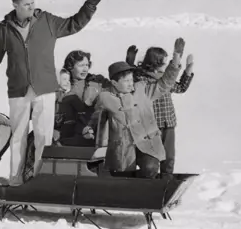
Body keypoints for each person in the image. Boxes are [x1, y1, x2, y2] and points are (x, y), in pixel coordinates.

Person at [0, 0, 106, 185]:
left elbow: (74, 24)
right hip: (19, 90)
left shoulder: (47, 21)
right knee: (17, 137)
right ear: (15, 5)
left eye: (32, 2)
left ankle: (39, 182)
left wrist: (90, 5)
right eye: (26, 4)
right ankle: (16, 181)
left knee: (43, 138)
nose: (31, 6)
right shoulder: (5, 29)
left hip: (44, 89)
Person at [96, 38, 185, 179]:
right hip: (123, 147)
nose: (131, 84)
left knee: (150, 168)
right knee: (120, 175)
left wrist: (175, 62)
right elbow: (96, 120)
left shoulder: (141, 90)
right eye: (126, 81)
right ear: (114, 83)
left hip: (146, 144)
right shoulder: (105, 98)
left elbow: (164, 84)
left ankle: (150, 188)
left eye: (131, 80)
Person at [125, 44, 195, 176]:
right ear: (155, 64)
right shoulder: (142, 78)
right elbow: (129, 76)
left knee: (169, 157)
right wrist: (129, 61)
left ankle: (166, 183)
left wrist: (188, 70)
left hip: (168, 123)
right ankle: (148, 180)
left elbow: (181, 88)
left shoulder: (166, 79)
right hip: (150, 125)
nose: (167, 65)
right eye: (164, 62)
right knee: (152, 158)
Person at [56, 50, 110, 146]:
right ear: (70, 67)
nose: (85, 69)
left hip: (91, 130)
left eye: (87, 65)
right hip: (67, 132)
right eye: (81, 65)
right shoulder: (61, 86)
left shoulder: (97, 83)